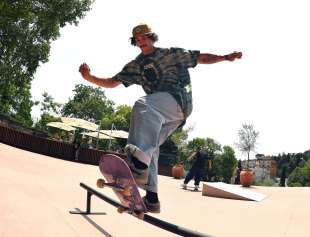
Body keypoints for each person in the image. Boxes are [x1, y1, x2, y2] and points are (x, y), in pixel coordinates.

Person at [79, 23, 242, 213]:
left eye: (144, 38)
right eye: (137, 40)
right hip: (168, 115)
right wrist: (89, 77)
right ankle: (152, 198)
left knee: (142, 105)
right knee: (152, 149)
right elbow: (112, 82)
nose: (141, 42)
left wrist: (224, 57)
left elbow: (201, 58)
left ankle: (139, 166)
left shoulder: (170, 54)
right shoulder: (136, 66)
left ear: (152, 38)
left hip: (178, 100)